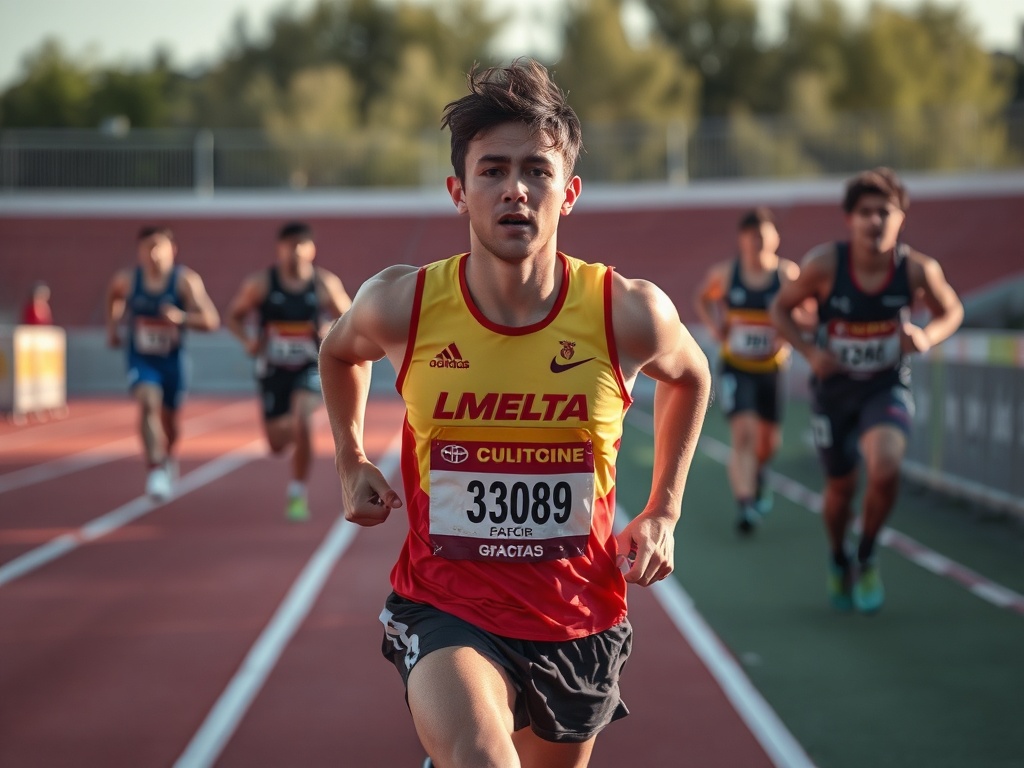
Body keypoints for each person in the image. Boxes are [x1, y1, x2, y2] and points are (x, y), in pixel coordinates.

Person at [318, 59, 711, 768]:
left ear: (570, 193)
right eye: (492, 171)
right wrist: (351, 460)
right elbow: (339, 353)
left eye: (536, 171)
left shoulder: (627, 312)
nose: (515, 191)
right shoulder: (401, 304)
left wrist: (664, 510)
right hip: (447, 605)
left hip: (578, 614)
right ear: (458, 192)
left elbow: (693, 377)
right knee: (482, 758)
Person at [770, 167, 962, 614]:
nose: (875, 221)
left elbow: (951, 309)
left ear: (900, 218)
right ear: (850, 220)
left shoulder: (915, 270)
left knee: (886, 466)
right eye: (866, 213)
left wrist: (928, 337)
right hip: (834, 391)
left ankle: (868, 552)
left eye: (885, 212)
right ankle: (839, 557)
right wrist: (810, 353)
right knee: (840, 489)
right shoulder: (826, 265)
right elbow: (779, 310)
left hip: (885, 386)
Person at [226, 221, 352, 521]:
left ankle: (297, 490)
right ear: (279, 249)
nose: (295, 251)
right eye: (289, 245)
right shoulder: (261, 284)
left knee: (303, 418)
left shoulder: (324, 284)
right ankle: (297, 437)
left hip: (309, 366)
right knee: (277, 443)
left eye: (301, 244)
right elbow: (234, 316)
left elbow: (351, 317)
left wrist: (330, 328)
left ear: (312, 249)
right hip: (272, 369)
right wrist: (248, 340)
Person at [693, 207, 806, 534]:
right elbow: (702, 297)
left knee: (768, 443)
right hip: (735, 366)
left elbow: (806, 309)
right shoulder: (726, 275)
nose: (757, 241)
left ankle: (759, 475)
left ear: (775, 238)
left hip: (771, 368)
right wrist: (716, 326)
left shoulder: (787, 275)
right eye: (751, 235)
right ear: (741, 240)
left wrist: (789, 329)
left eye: (763, 234)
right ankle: (745, 505)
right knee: (742, 434)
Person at [105, 226, 220, 500]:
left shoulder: (185, 281)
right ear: (139, 252)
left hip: (172, 360)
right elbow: (113, 298)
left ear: (172, 250)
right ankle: (155, 468)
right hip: (142, 357)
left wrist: (181, 318)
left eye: (159, 246)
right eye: (147, 247)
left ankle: (168, 456)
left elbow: (211, 320)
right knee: (147, 403)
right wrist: (113, 327)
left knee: (170, 422)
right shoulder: (128, 280)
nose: (153, 253)